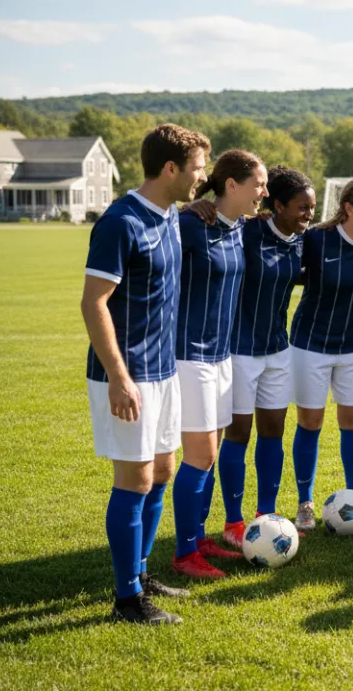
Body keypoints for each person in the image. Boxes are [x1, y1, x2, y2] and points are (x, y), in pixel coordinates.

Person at [82, 123, 208, 624]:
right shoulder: (121, 221)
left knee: (162, 471)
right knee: (133, 480)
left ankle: (140, 572)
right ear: (171, 168)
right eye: (197, 169)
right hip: (126, 375)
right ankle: (127, 600)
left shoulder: (172, 214)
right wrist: (118, 375)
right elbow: (93, 303)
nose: (203, 178)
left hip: (163, 371)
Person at [170, 150, 268, 580]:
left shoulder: (239, 227)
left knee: (210, 454)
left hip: (222, 355)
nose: (263, 192)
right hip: (188, 355)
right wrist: (183, 207)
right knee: (200, 454)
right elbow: (152, 241)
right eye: (257, 184)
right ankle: (184, 552)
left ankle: (200, 537)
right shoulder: (193, 223)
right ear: (231, 185)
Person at [214, 168, 315, 545]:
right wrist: (199, 205)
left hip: (278, 350)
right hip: (240, 351)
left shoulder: (303, 242)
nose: (308, 214)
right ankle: (233, 523)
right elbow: (217, 217)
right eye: (302, 207)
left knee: (273, 431)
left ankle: (266, 514)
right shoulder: (248, 231)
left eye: (313, 208)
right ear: (277, 205)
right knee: (238, 434)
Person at [288, 178, 353, 530]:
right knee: (310, 423)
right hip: (310, 345)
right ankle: (305, 503)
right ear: (348, 208)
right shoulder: (316, 240)